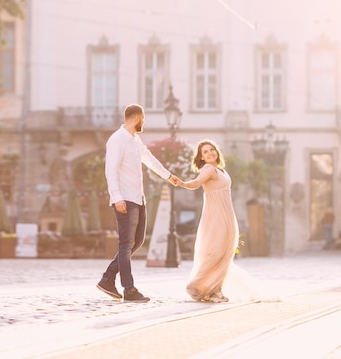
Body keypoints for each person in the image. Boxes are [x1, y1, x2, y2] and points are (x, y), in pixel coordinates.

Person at [96, 104, 182, 303]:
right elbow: (111, 170)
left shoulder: (135, 140)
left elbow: (149, 159)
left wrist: (168, 176)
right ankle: (129, 289)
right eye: (143, 119)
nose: (144, 123)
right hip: (124, 198)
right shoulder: (117, 140)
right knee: (126, 244)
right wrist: (116, 197)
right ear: (137, 118)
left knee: (138, 241)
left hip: (138, 197)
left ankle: (108, 279)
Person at [178, 139, 237, 303]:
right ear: (202, 157)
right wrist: (183, 183)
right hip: (216, 215)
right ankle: (196, 284)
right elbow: (197, 182)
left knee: (226, 251)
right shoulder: (209, 169)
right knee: (217, 251)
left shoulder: (220, 169)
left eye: (212, 149)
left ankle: (215, 290)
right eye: (205, 151)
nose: (210, 153)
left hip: (227, 213)